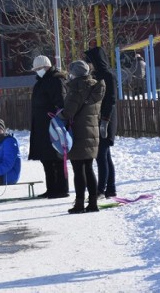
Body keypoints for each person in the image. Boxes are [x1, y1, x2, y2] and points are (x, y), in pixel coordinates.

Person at [58, 60, 105, 214]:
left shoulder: (77, 88)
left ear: (75, 73)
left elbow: (69, 112)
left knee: (79, 170)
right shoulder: (95, 87)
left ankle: (79, 204)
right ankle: (93, 203)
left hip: (77, 133)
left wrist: (60, 115)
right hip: (92, 132)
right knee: (89, 168)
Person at [28, 55, 69, 199]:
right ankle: (51, 188)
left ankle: (62, 189)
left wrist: (58, 119)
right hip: (42, 126)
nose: (37, 71)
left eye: (39, 68)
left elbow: (61, 103)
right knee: (46, 159)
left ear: (46, 67)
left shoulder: (55, 80)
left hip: (53, 125)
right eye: (36, 69)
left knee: (56, 158)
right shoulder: (42, 81)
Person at [85, 47, 118, 199]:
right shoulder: (95, 75)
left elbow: (111, 100)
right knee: (106, 156)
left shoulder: (108, 76)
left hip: (106, 119)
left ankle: (101, 189)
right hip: (98, 119)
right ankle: (110, 188)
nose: (89, 65)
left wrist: (105, 120)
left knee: (101, 155)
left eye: (90, 62)